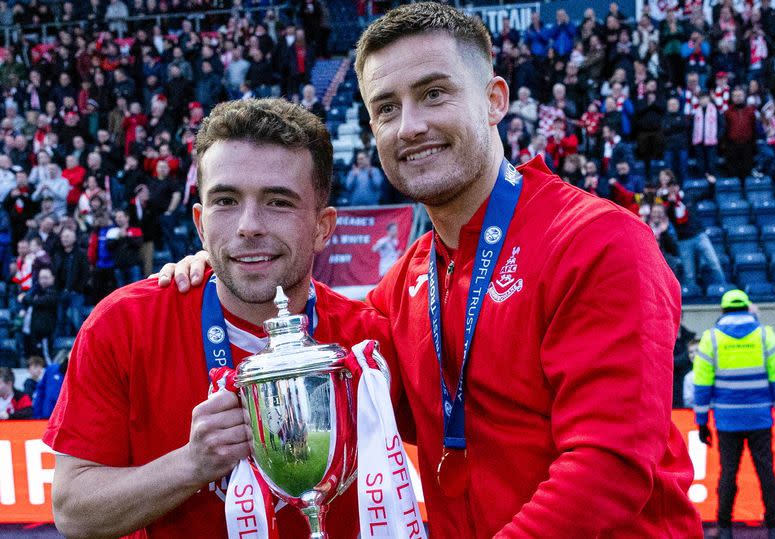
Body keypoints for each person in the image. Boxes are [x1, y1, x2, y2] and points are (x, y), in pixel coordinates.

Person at [164, 4, 702, 536]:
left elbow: (607, 468)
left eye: (433, 94)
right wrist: (232, 259)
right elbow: (322, 349)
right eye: (387, 108)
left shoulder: (595, 242)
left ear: (494, 101)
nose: (411, 126)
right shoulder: (405, 285)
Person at [43, 99, 394, 538]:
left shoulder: (370, 341)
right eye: (226, 200)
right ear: (200, 223)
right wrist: (191, 464)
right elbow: (73, 512)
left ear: (324, 226)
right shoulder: (123, 325)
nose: (249, 225)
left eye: (278, 202)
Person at [692, 290, 775, 539]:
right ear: (747, 308)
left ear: (723, 310)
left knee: (728, 474)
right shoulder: (765, 336)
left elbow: (701, 386)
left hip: (727, 420)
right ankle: (774, 529)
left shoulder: (711, 339)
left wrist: (702, 423)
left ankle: (724, 530)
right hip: (760, 419)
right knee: (766, 472)